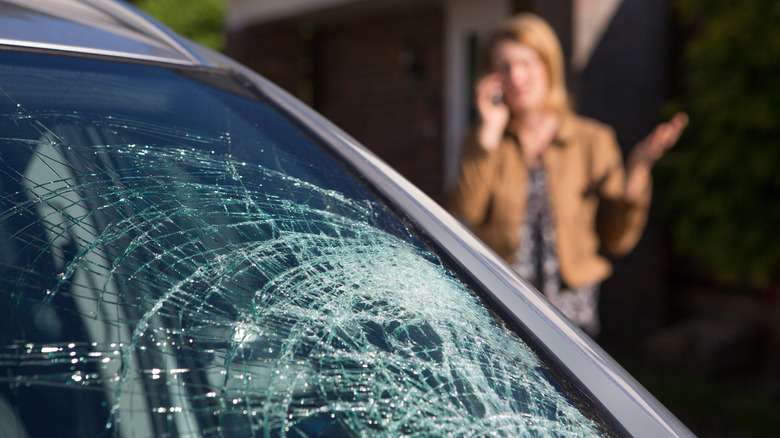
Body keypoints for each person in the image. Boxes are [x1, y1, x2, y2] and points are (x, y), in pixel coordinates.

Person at [447, 13, 688, 336]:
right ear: (491, 77)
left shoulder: (593, 140)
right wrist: (487, 137)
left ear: (548, 66)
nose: (516, 76)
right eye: (503, 66)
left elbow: (618, 237)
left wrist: (639, 169)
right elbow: (463, 216)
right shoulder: (482, 141)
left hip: (573, 313)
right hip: (500, 307)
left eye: (526, 62)